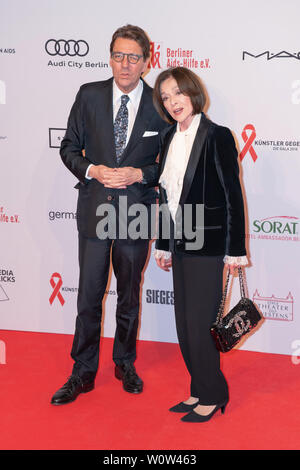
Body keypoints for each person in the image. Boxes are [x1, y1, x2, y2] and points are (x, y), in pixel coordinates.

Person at [51, 25, 167, 405]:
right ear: (110, 56)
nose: (125, 64)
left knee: (129, 295)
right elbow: (68, 146)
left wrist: (141, 174)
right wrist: (92, 170)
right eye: (119, 55)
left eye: (134, 57)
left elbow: (167, 163)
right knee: (89, 295)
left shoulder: (159, 104)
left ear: (147, 62)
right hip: (96, 208)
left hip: (136, 211)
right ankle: (82, 371)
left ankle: (124, 362)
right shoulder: (89, 95)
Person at [152, 67, 248, 422]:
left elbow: (233, 196)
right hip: (179, 241)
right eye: (165, 97)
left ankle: (213, 393)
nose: (173, 102)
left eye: (178, 93)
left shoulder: (217, 135)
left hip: (208, 245)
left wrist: (234, 250)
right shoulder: (167, 137)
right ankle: (198, 389)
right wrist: (163, 243)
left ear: (193, 92)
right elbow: (166, 197)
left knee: (200, 324)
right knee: (182, 324)